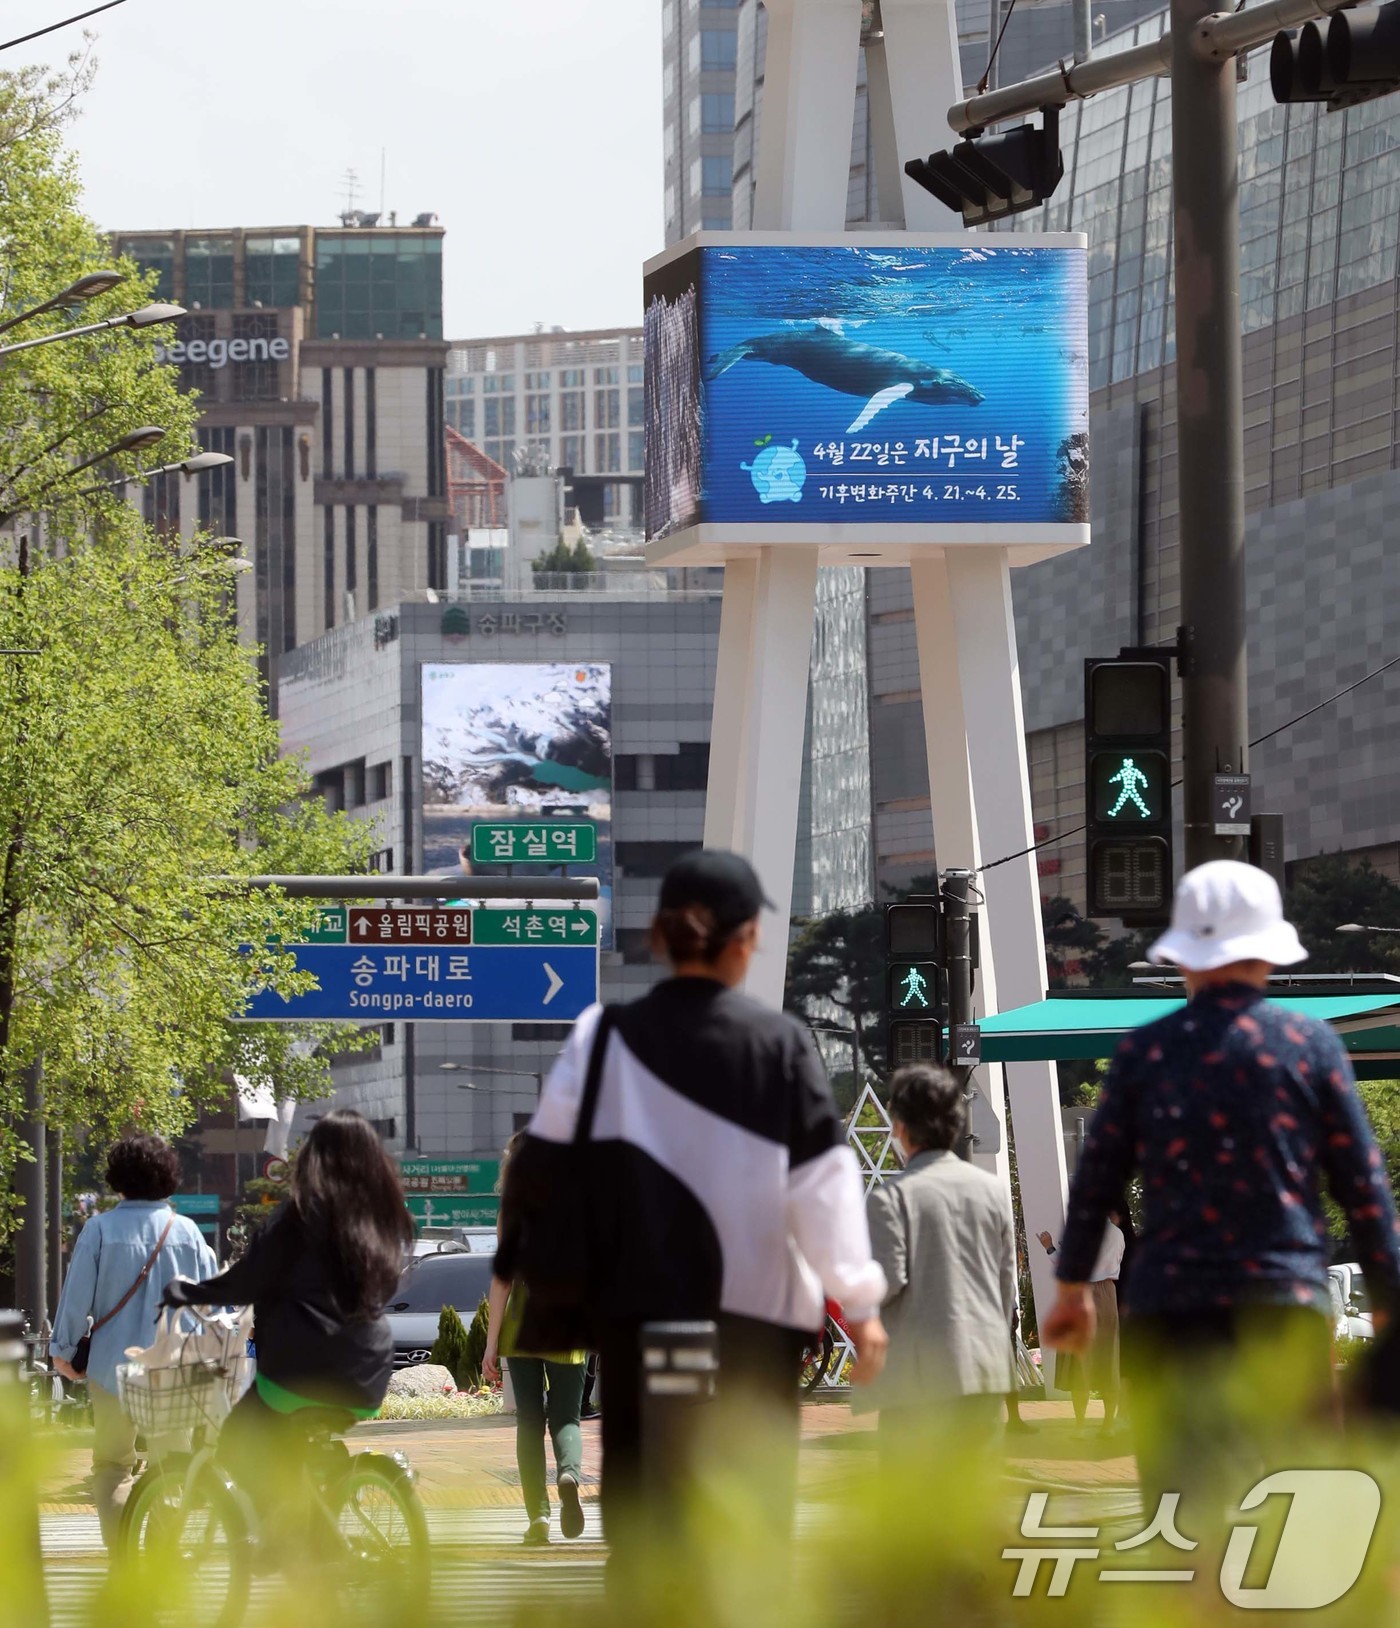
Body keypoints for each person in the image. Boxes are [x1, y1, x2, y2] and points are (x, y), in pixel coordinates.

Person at [520, 849, 888, 1573]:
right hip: (753, 1330)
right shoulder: (778, 1045)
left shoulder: (603, 1038)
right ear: (745, 939)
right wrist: (860, 1302)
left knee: (652, 1506)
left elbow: (545, 1167)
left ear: (660, 935)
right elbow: (822, 1183)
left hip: (644, 1323)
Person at [1042, 861, 1400, 1523]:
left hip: (1171, 1309)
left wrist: (1070, 1294)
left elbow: (1096, 1184)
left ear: (1184, 959)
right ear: (1268, 953)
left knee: (1186, 1511)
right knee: (1305, 1502)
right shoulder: (1309, 1046)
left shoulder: (1145, 1053)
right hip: (1282, 1304)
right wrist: (1388, 1302)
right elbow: (1364, 1190)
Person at [165, 1110, 413, 1505]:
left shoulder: (297, 1217)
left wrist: (188, 1293)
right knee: (300, 1453)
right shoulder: (385, 1221)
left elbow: (246, 1282)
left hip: (299, 1368)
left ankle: (276, 1538)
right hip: (367, 1368)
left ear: (312, 1159)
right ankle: (321, 1520)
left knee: (236, 1443)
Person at [49, 1132, 217, 1547]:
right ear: (168, 1176)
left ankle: (123, 1559)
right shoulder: (189, 1232)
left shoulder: (99, 1230)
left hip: (111, 1370)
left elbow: (75, 1302)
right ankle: (162, 1561)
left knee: (111, 1466)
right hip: (172, 1369)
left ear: (116, 1177)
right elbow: (210, 1305)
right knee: (171, 1468)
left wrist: (63, 1352)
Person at [863, 1064, 1016, 1453]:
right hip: (983, 1371)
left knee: (911, 1504)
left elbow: (887, 1284)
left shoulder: (891, 1198)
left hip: (917, 1381)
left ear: (899, 1126)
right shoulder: (992, 1192)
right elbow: (1004, 1284)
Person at [483, 1132, 589, 1546]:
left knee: (529, 1424)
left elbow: (501, 1281)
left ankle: (538, 1519)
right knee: (566, 1418)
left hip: (521, 1328)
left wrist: (491, 1343)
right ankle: (568, 1473)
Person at [1055, 1218, 1123, 1435]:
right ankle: (1108, 1425)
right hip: (1107, 1293)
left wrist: (1050, 1248)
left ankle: (1080, 1426)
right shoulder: (1118, 1234)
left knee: (1079, 1358)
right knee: (1108, 1356)